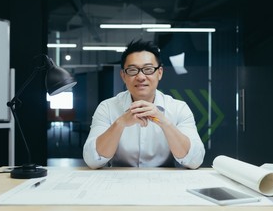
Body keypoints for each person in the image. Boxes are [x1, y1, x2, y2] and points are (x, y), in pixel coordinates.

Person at [83, 40, 205, 169]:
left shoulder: (179, 108)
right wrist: (120, 123)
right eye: (132, 70)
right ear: (123, 76)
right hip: (119, 182)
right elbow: (92, 160)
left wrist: (164, 122)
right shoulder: (107, 107)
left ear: (160, 73)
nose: (141, 77)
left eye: (148, 69)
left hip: (165, 182)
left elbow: (195, 160)